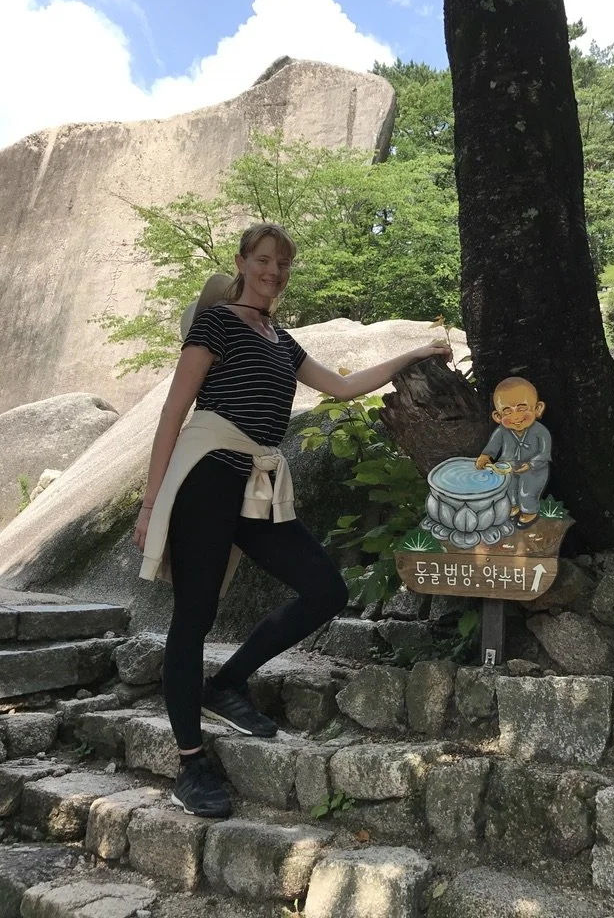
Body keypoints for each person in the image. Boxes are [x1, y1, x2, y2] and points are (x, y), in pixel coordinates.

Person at [133, 221, 450, 819]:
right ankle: (191, 763)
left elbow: (343, 385)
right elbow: (174, 413)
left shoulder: (284, 341)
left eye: (283, 263)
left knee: (324, 588)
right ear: (242, 262)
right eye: (264, 260)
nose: (273, 271)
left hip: (257, 483)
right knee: (194, 615)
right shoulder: (216, 322)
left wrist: (414, 353)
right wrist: (151, 504)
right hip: (205, 476)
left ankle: (226, 684)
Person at [474, 376, 551, 528]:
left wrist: (531, 464)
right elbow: (493, 447)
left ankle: (529, 512)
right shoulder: (502, 431)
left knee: (526, 492)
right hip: (507, 467)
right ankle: (512, 507)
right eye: (507, 411)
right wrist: (485, 456)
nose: (516, 417)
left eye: (522, 408)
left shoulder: (540, 432)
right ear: (498, 416)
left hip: (534, 470)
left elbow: (544, 453)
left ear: (538, 409)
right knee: (507, 489)